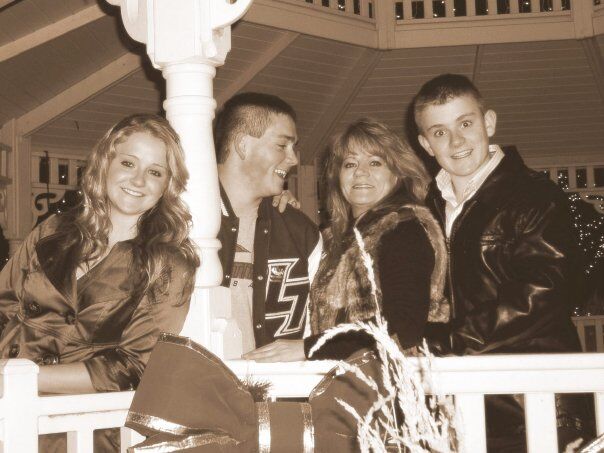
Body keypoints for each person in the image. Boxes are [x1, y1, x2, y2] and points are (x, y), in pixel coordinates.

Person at [0, 114, 199, 450]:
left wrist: (19, 377)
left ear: (167, 185)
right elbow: (5, 302)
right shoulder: (53, 230)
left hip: (75, 422)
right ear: (105, 162)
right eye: (128, 163)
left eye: (154, 172)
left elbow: (135, 366)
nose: (138, 180)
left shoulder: (169, 264)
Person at [413, 74, 587, 451]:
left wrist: (445, 343)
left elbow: (543, 292)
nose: (456, 141)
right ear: (426, 144)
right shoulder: (426, 206)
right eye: (440, 132)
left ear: (488, 122)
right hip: (454, 402)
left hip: (531, 403)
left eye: (465, 123)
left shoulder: (536, 195)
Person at [303, 118, 449, 360]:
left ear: (397, 174)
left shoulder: (403, 229)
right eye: (350, 164)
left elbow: (403, 328)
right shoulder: (334, 239)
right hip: (343, 381)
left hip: (388, 385)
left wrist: (309, 348)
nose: (361, 172)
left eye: (375, 162)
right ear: (337, 177)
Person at [213, 92, 321, 362]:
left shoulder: (301, 232)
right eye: (282, 145)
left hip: (278, 396)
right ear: (243, 145)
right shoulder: (179, 221)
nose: (293, 159)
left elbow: (320, 328)